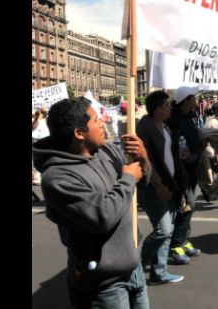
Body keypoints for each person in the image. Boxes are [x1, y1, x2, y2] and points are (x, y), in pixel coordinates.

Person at [32, 97, 151, 308]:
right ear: (79, 133)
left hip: (133, 270)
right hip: (103, 286)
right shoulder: (58, 177)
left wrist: (142, 157)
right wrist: (127, 179)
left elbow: (142, 181)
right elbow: (102, 217)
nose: (103, 123)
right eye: (96, 120)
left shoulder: (105, 152)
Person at [135, 91, 187, 285]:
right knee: (163, 230)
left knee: (169, 229)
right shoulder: (145, 127)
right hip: (153, 188)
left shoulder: (164, 126)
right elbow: (144, 160)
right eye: (167, 105)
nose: (170, 107)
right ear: (158, 109)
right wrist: (158, 185)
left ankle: (159, 272)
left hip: (170, 184)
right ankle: (136, 266)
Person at [165, 86, 203, 265]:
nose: (196, 101)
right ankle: (176, 245)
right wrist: (184, 156)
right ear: (185, 101)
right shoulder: (172, 120)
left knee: (187, 206)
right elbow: (173, 145)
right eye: (193, 98)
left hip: (193, 168)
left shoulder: (191, 116)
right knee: (187, 206)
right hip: (180, 171)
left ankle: (184, 239)